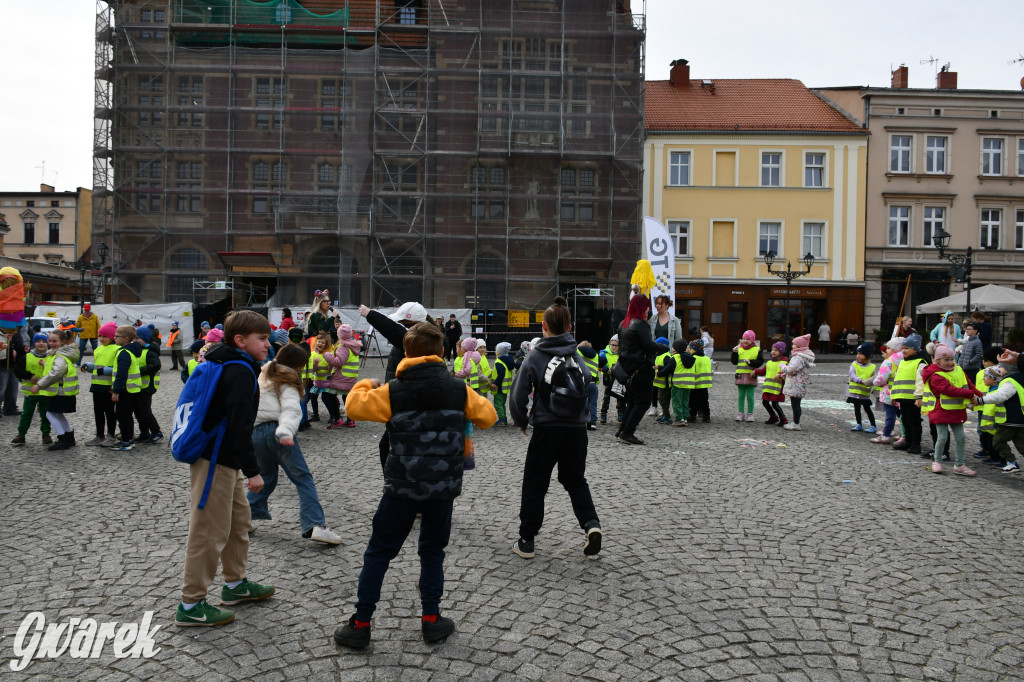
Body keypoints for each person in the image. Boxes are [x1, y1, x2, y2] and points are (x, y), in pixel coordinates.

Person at [333, 322, 496, 648]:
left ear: (405, 353)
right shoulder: (458, 390)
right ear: (442, 353)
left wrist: (366, 381)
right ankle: (432, 620)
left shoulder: (392, 390)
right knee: (433, 552)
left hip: (402, 488)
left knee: (379, 552)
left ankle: (361, 624)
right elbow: (488, 416)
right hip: (442, 489)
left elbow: (352, 406)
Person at [175, 310, 275, 628]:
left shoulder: (232, 362)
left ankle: (235, 585)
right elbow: (238, 426)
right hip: (215, 459)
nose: (268, 343)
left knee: (237, 522)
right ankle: (191, 604)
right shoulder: (240, 372)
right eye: (261, 338)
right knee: (208, 531)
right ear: (240, 341)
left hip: (224, 458)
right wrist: (254, 470)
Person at [509, 297, 601, 558]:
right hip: (577, 431)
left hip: (548, 430)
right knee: (575, 480)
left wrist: (522, 420)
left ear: (543, 326)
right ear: (570, 327)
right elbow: (589, 384)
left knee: (536, 483)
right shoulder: (577, 357)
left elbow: (518, 395)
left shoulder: (536, 356)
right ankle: (591, 525)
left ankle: (527, 540)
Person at [246, 343, 342, 545]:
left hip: (256, 434)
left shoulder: (263, 375)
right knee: (303, 479)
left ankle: (243, 519)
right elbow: (291, 410)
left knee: (266, 477)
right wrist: (285, 432)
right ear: (298, 365)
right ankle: (317, 525)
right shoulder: (288, 380)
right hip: (278, 432)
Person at [360, 301, 431, 472]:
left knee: (392, 448)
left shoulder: (416, 340)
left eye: (399, 322)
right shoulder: (418, 338)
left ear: (409, 324)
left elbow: (394, 331)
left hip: (408, 402)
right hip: (401, 400)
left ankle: (397, 484)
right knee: (388, 447)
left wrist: (371, 315)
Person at [922, 344, 983, 475]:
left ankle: (959, 465)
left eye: (951, 359)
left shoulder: (958, 370)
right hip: (941, 409)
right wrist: (969, 394)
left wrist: (981, 396)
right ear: (937, 361)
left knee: (961, 438)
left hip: (957, 409)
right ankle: (937, 461)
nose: (950, 363)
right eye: (946, 360)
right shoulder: (935, 374)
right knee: (942, 437)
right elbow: (948, 390)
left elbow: (970, 385)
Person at [616, 295, 668, 445]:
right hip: (640, 368)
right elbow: (649, 345)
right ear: (640, 307)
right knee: (643, 402)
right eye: (646, 306)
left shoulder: (623, 324)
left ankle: (622, 430)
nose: (648, 309)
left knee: (633, 400)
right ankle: (627, 433)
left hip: (626, 367)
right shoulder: (640, 324)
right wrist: (662, 348)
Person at [27, 328, 80, 451]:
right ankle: (69, 437)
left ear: (62, 342)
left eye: (54, 341)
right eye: (49, 341)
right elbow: (57, 369)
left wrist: (39, 385)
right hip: (61, 391)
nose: (51, 343)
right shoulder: (58, 354)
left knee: (49, 413)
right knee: (58, 414)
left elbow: (56, 373)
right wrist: (46, 365)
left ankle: (62, 439)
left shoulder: (59, 356)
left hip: (59, 392)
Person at [974, 349, 1024, 473]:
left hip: (1009, 419)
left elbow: (1000, 396)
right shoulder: (1020, 378)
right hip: (1020, 418)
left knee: (998, 441)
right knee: (1021, 445)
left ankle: (1011, 462)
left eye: (1000, 367)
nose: (998, 369)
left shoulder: (1010, 381)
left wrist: (980, 400)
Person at [79, 322, 119, 447]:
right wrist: (89, 367)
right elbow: (98, 367)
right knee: (98, 412)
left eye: (104, 336)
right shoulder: (98, 349)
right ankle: (99, 435)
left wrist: (114, 385)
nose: (101, 339)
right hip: (96, 386)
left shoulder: (117, 349)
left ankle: (111, 436)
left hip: (108, 387)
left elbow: (118, 369)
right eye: (100, 336)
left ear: (112, 337)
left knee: (110, 412)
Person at [11, 332, 54, 446]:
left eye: (44, 341)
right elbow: (17, 370)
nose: (41, 344)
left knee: (45, 415)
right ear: (33, 343)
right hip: (30, 392)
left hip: (45, 392)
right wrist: (29, 376)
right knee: (26, 414)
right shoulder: (27, 357)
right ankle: (21, 435)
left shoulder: (51, 357)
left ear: (48, 344)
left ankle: (46, 434)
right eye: (38, 341)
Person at [319, 323, 362, 429]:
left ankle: (337, 418)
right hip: (350, 377)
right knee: (346, 397)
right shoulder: (353, 345)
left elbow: (338, 362)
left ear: (340, 335)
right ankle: (351, 420)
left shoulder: (343, 347)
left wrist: (326, 355)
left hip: (341, 377)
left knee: (329, 395)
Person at [891, 334, 927, 455]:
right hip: (902, 397)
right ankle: (908, 440)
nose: (904, 351)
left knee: (914, 421)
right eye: (902, 348)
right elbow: (897, 379)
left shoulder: (920, 362)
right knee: (905, 420)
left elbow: (920, 381)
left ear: (915, 349)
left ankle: (915, 444)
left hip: (913, 398)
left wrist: (919, 396)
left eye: (907, 348)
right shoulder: (903, 362)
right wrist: (894, 395)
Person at [110, 325, 143, 451]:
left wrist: (116, 391)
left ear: (126, 338)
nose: (115, 338)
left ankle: (126, 441)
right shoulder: (131, 350)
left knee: (123, 416)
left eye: (117, 336)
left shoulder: (124, 352)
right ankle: (128, 439)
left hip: (125, 390)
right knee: (127, 416)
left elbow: (121, 374)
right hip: (132, 389)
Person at [870, 338, 904, 445]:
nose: (887, 350)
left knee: (890, 415)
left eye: (889, 348)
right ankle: (904, 434)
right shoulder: (906, 360)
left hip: (889, 393)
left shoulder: (889, 361)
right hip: (902, 393)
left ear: (895, 349)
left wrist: (875, 381)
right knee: (901, 415)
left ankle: (886, 435)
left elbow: (882, 378)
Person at [133, 326, 163, 444]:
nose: (135, 340)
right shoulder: (137, 351)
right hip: (138, 386)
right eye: (134, 338)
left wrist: (140, 370)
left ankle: (156, 432)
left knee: (145, 411)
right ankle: (144, 432)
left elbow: (156, 365)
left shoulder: (150, 352)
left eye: (138, 338)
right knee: (138, 411)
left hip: (147, 387)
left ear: (145, 339)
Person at [781, 334, 815, 431]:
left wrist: (782, 366)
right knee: (796, 404)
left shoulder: (798, 357)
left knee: (795, 404)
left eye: (794, 344)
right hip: (799, 384)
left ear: (799, 346)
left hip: (796, 384)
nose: (792, 346)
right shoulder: (801, 357)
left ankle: (796, 423)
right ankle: (796, 422)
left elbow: (791, 369)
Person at [661, 338, 696, 427]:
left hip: (678, 383)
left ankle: (679, 419)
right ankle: (684, 417)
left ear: (675, 349)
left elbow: (668, 369)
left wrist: (659, 373)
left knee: (677, 401)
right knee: (685, 401)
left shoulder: (675, 358)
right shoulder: (691, 357)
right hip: (689, 383)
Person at [731, 330, 763, 423]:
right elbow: (734, 362)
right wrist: (734, 353)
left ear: (752, 340)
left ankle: (750, 414)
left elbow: (760, 362)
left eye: (747, 339)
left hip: (751, 375)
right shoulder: (739, 348)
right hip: (740, 375)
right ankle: (740, 413)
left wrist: (751, 362)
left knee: (750, 396)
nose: (745, 341)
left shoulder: (757, 349)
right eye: (743, 339)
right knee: (741, 395)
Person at [754, 341, 787, 426]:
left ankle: (783, 419)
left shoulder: (783, 363)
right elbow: (762, 372)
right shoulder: (769, 363)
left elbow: (785, 372)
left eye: (776, 350)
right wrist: (755, 371)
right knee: (765, 402)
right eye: (772, 350)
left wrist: (779, 374)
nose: (773, 352)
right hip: (768, 387)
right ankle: (773, 416)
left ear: (781, 352)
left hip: (777, 387)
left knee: (775, 404)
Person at [847, 343, 878, 433]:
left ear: (867, 356)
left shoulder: (872, 367)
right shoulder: (854, 364)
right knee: (856, 408)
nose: (858, 356)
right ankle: (859, 424)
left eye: (861, 354)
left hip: (864, 393)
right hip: (855, 392)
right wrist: (859, 380)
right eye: (858, 353)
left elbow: (874, 378)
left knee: (867, 408)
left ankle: (873, 425)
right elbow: (852, 374)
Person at [687, 339, 713, 423]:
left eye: (690, 348)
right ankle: (707, 416)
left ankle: (692, 416)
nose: (689, 350)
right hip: (705, 383)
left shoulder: (693, 358)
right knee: (704, 401)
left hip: (695, 383)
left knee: (693, 401)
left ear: (694, 349)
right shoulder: (706, 358)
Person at [598, 335, 621, 425]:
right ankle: (603, 413)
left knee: (620, 396)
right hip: (608, 378)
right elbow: (600, 365)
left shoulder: (621, 354)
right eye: (612, 345)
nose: (614, 347)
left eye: (616, 345)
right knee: (606, 397)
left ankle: (621, 412)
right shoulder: (604, 353)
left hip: (618, 378)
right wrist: (606, 369)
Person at [492, 341, 516, 427]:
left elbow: (501, 374)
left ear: (498, 352)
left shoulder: (499, 362)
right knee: (502, 403)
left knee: (498, 403)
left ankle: (502, 420)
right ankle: (504, 418)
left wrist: (495, 383)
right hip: (505, 387)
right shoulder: (509, 360)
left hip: (499, 387)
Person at [651, 336, 672, 423]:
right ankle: (664, 414)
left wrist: (658, 368)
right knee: (661, 398)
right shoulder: (658, 355)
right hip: (658, 382)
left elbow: (668, 368)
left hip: (665, 383)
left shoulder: (666, 356)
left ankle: (667, 416)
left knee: (663, 399)